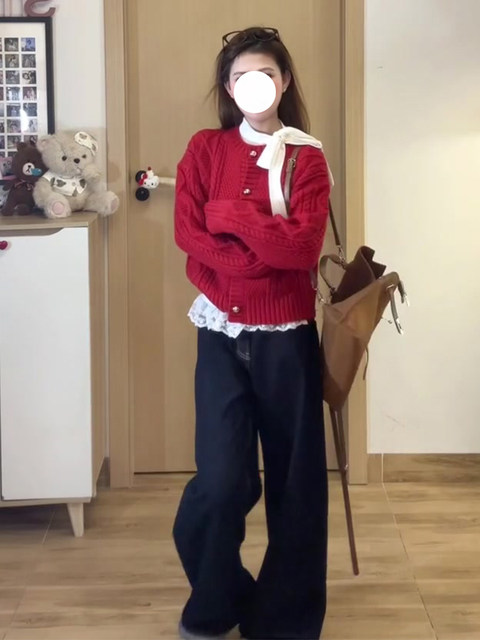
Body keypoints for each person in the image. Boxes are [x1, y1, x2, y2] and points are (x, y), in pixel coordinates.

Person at [173, 26, 331, 640]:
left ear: (283, 82)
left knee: (296, 485)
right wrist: (257, 253)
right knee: (219, 482)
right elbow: (190, 236)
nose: (253, 85)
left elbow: (302, 249)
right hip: (219, 332)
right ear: (228, 86)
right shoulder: (204, 149)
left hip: (287, 338)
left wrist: (232, 216)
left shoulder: (306, 157)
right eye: (241, 76)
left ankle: (285, 622)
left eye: (265, 74)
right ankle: (222, 599)